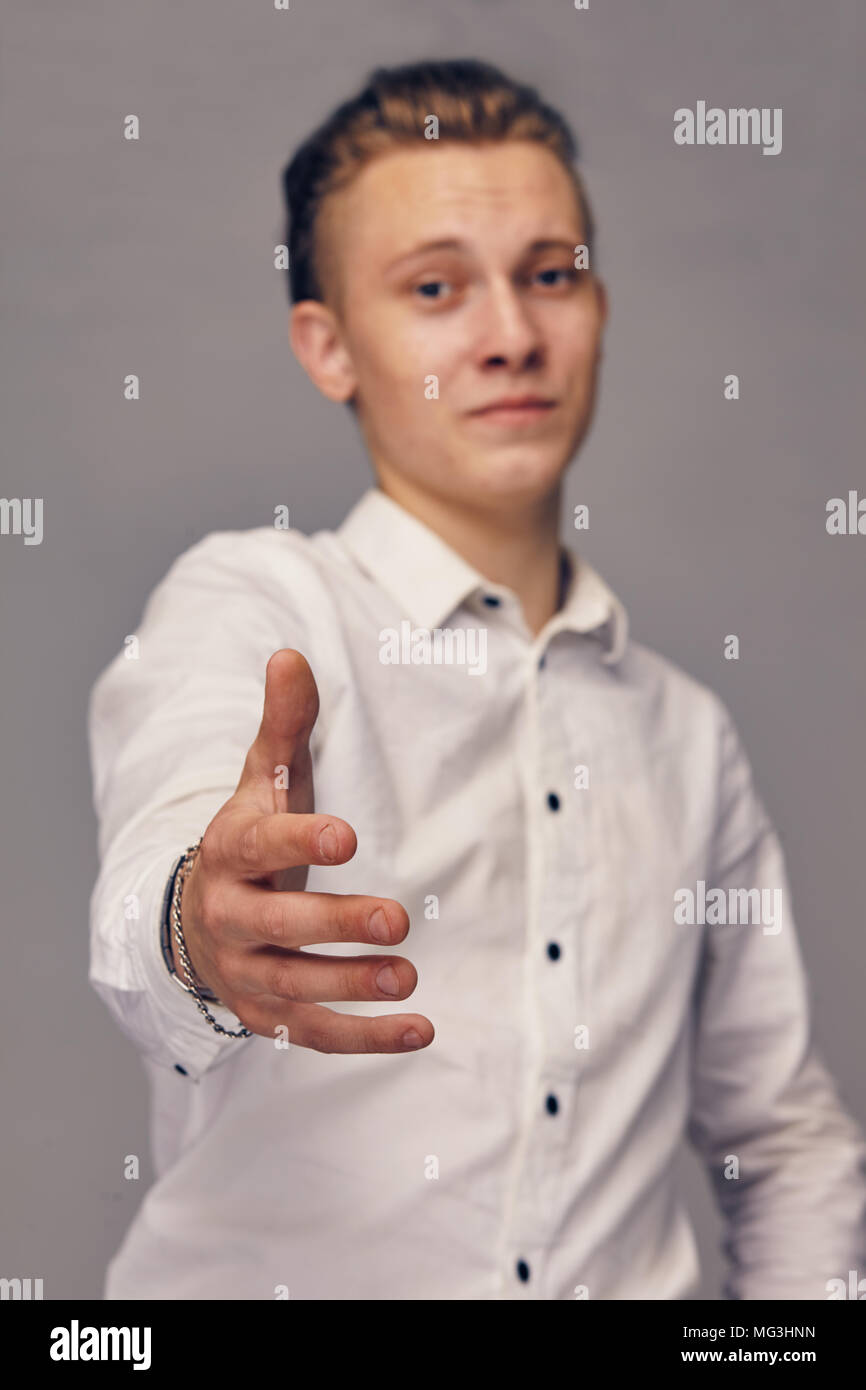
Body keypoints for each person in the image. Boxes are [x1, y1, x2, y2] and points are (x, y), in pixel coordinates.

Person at [88, 57, 866, 1300]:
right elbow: (159, 864)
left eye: (550, 274)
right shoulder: (251, 605)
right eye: (435, 286)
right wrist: (200, 930)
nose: (510, 335)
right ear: (328, 346)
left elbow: (780, 1136)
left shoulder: (685, 731)